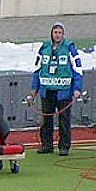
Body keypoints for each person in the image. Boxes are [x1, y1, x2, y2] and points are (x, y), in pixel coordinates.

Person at [29, 22, 84, 155]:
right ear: (52, 34)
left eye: (59, 32)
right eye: (55, 32)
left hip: (64, 91)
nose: (57, 35)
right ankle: (46, 145)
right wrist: (33, 90)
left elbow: (78, 69)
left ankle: (64, 146)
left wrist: (77, 88)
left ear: (63, 34)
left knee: (64, 120)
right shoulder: (44, 48)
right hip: (46, 90)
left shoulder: (70, 48)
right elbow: (37, 70)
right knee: (46, 119)